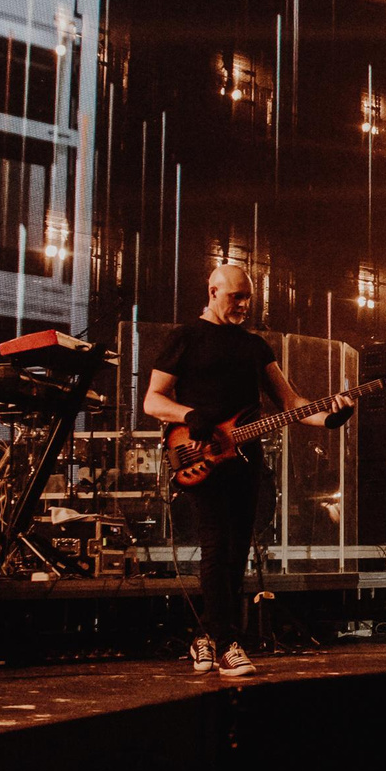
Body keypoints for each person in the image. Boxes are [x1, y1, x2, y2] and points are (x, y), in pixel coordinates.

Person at [144, 264, 349, 677]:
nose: (243, 305)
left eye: (247, 298)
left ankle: (205, 635)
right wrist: (190, 414)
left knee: (235, 550)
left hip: (246, 458)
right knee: (217, 545)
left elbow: (291, 404)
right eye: (236, 297)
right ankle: (226, 643)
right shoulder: (184, 338)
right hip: (200, 455)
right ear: (213, 291)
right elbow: (152, 400)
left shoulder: (256, 347)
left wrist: (329, 417)